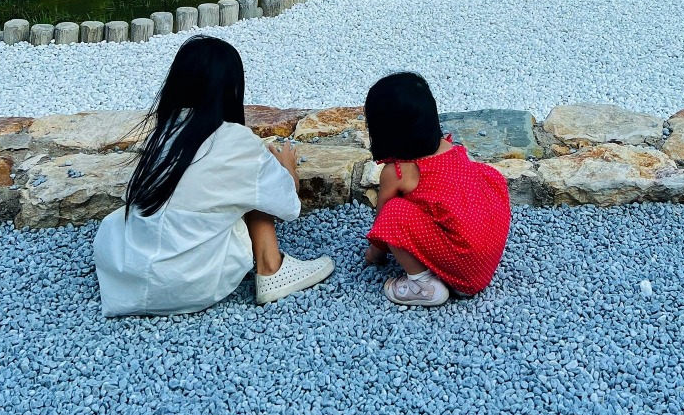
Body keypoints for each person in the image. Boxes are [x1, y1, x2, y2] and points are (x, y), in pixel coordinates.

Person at [93, 36, 334, 316]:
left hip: (127, 279)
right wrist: (286, 165)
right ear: (230, 89)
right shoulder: (238, 142)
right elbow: (289, 204)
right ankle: (272, 268)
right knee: (256, 186)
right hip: (192, 285)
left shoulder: (162, 136)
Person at [362, 72, 511, 307]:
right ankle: (461, 265)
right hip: (485, 263)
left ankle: (424, 285)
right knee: (485, 177)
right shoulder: (449, 148)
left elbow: (383, 223)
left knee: (394, 213)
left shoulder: (398, 171)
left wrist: (375, 254)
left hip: (464, 271)